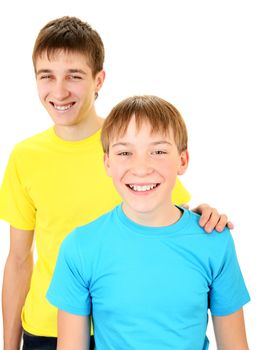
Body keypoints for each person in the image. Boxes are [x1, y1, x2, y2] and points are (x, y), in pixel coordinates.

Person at [0, 17, 233, 350]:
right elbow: (19, 259)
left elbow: (168, 217)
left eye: (74, 76)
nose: (60, 90)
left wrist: (203, 217)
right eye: (46, 76)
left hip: (124, 324)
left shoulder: (129, 145)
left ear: (99, 80)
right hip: (49, 327)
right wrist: (9, 345)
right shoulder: (25, 157)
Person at [47, 95, 250, 350]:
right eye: (124, 152)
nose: (141, 168)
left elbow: (235, 346)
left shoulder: (214, 240)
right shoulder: (80, 246)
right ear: (107, 163)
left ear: (183, 161)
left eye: (158, 151)